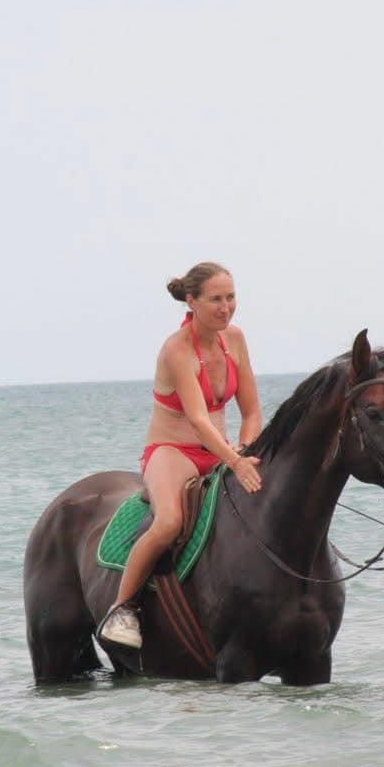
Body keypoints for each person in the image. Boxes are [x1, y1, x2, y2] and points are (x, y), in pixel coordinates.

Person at [99, 261, 263, 649]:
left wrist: (246, 448)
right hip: (174, 452)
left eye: (231, 297)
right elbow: (198, 419)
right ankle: (122, 609)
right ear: (191, 301)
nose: (226, 308)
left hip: (221, 450)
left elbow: (252, 411)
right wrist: (234, 462)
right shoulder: (177, 349)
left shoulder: (235, 339)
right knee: (170, 520)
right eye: (215, 300)